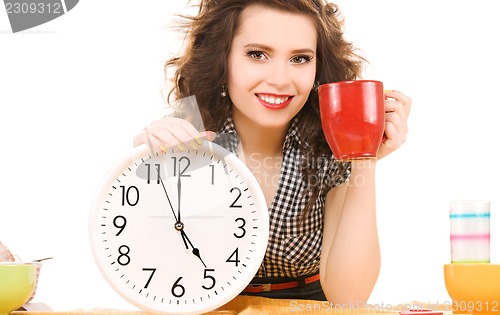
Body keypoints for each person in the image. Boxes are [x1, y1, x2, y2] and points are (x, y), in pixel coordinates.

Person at [133, 0, 411, 304]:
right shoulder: (191, 130)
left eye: (300, 58)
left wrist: (364, 157)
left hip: (306, 307)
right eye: (257, 54)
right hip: (209, 305)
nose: (280, 79)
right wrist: (144, 164)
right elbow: (154, 267)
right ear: (222, 58)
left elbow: (349, 298)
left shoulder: (330, 144)